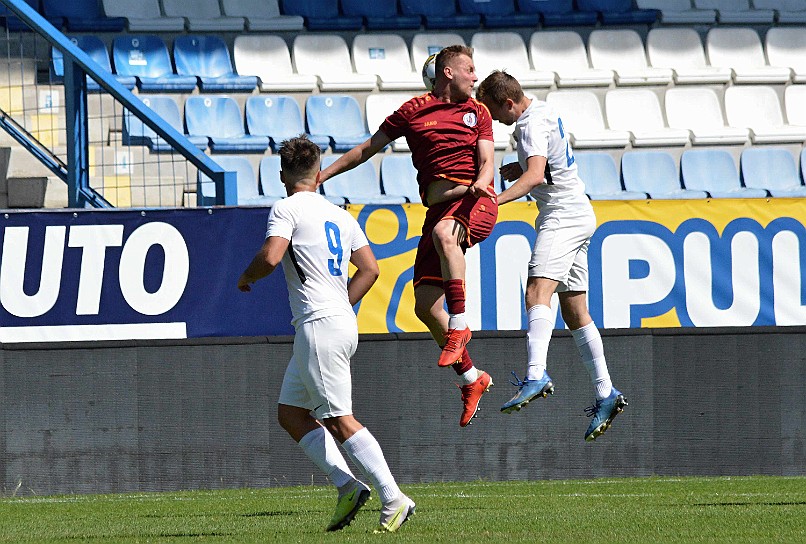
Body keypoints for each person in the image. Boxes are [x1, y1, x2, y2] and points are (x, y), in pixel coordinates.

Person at [237, 136, 415, 532]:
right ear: (318, 174)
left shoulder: (286, 207)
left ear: (282, 175)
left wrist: (246, 277)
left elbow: (271, 256)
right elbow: (370, 269)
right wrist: (340, 304)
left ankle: (393, 497)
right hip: (337, 322)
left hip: (318, 325)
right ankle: (347, 486)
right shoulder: (340, 214)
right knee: (291, 414)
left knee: (338, 418)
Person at [319, 45, 497, 428]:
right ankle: (472, 378)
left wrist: (480, 186)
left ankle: (460, 324)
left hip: (475, 202)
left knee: (447, 235)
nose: (475, 76)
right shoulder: (413, 111)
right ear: (447, 72)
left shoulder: (478, 112)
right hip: (439, 209)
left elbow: (487, 162)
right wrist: (324, 174)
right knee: (425, 307)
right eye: (469, 69)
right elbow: (368, 148)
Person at [476, 71, 628, 441]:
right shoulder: (542, 110)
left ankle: (535, 373)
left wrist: (492, 200)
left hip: (562, 216)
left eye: (495, 112)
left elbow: (533, 177)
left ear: (509, 103)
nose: (494, 119)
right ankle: (606, 391)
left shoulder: (527, 125)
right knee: (576, 310)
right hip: (578, 209)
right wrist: (524, 171)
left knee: (535, 293)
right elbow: (543, 170)